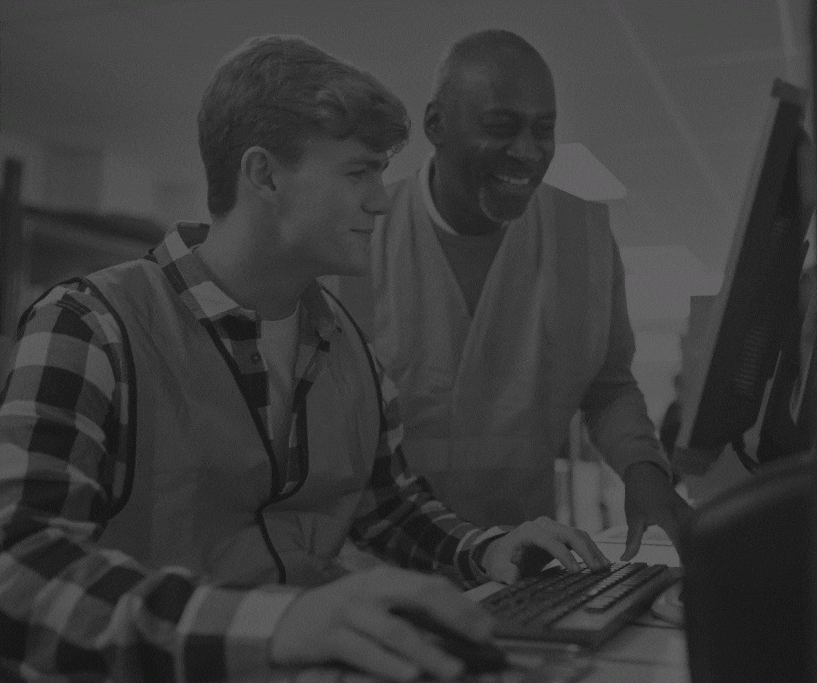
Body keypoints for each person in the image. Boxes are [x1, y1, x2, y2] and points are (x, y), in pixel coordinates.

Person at [0, 35, 612, 683]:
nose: (381, 198)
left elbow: (391, 506)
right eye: (359, 171)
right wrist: (280, 625)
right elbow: (18, 570)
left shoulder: (350, 348)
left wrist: (484, 549)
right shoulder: (91, 324)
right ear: (264, 174)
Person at [370, 29, 692, 561]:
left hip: (525, 560)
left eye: (544, 130)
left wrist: (645, 473)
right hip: (386, 563)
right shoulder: (361, 238)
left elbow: (608, 386)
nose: (527, 152)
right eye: (501, 128)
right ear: (436, 125)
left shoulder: (582, 237)